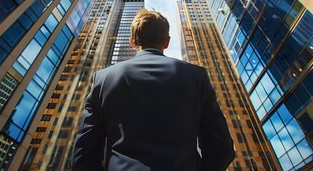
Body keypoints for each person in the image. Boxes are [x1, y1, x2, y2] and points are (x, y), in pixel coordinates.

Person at [71, 9, 235, 171]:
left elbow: (82, 157)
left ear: (132, 41)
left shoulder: (103, 79)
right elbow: (222, 149)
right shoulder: (197, 76)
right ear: (167, 42)